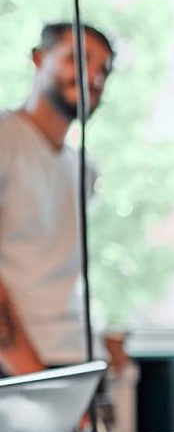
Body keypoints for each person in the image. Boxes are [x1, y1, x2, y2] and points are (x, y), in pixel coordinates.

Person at [0, 23, 118, 376]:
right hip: (21, 368)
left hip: (79, 360)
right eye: (78, 59)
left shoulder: (83, 170)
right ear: (39, 59)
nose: (92, 76)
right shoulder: (6, 139)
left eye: (103, 70)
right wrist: (31, 374)